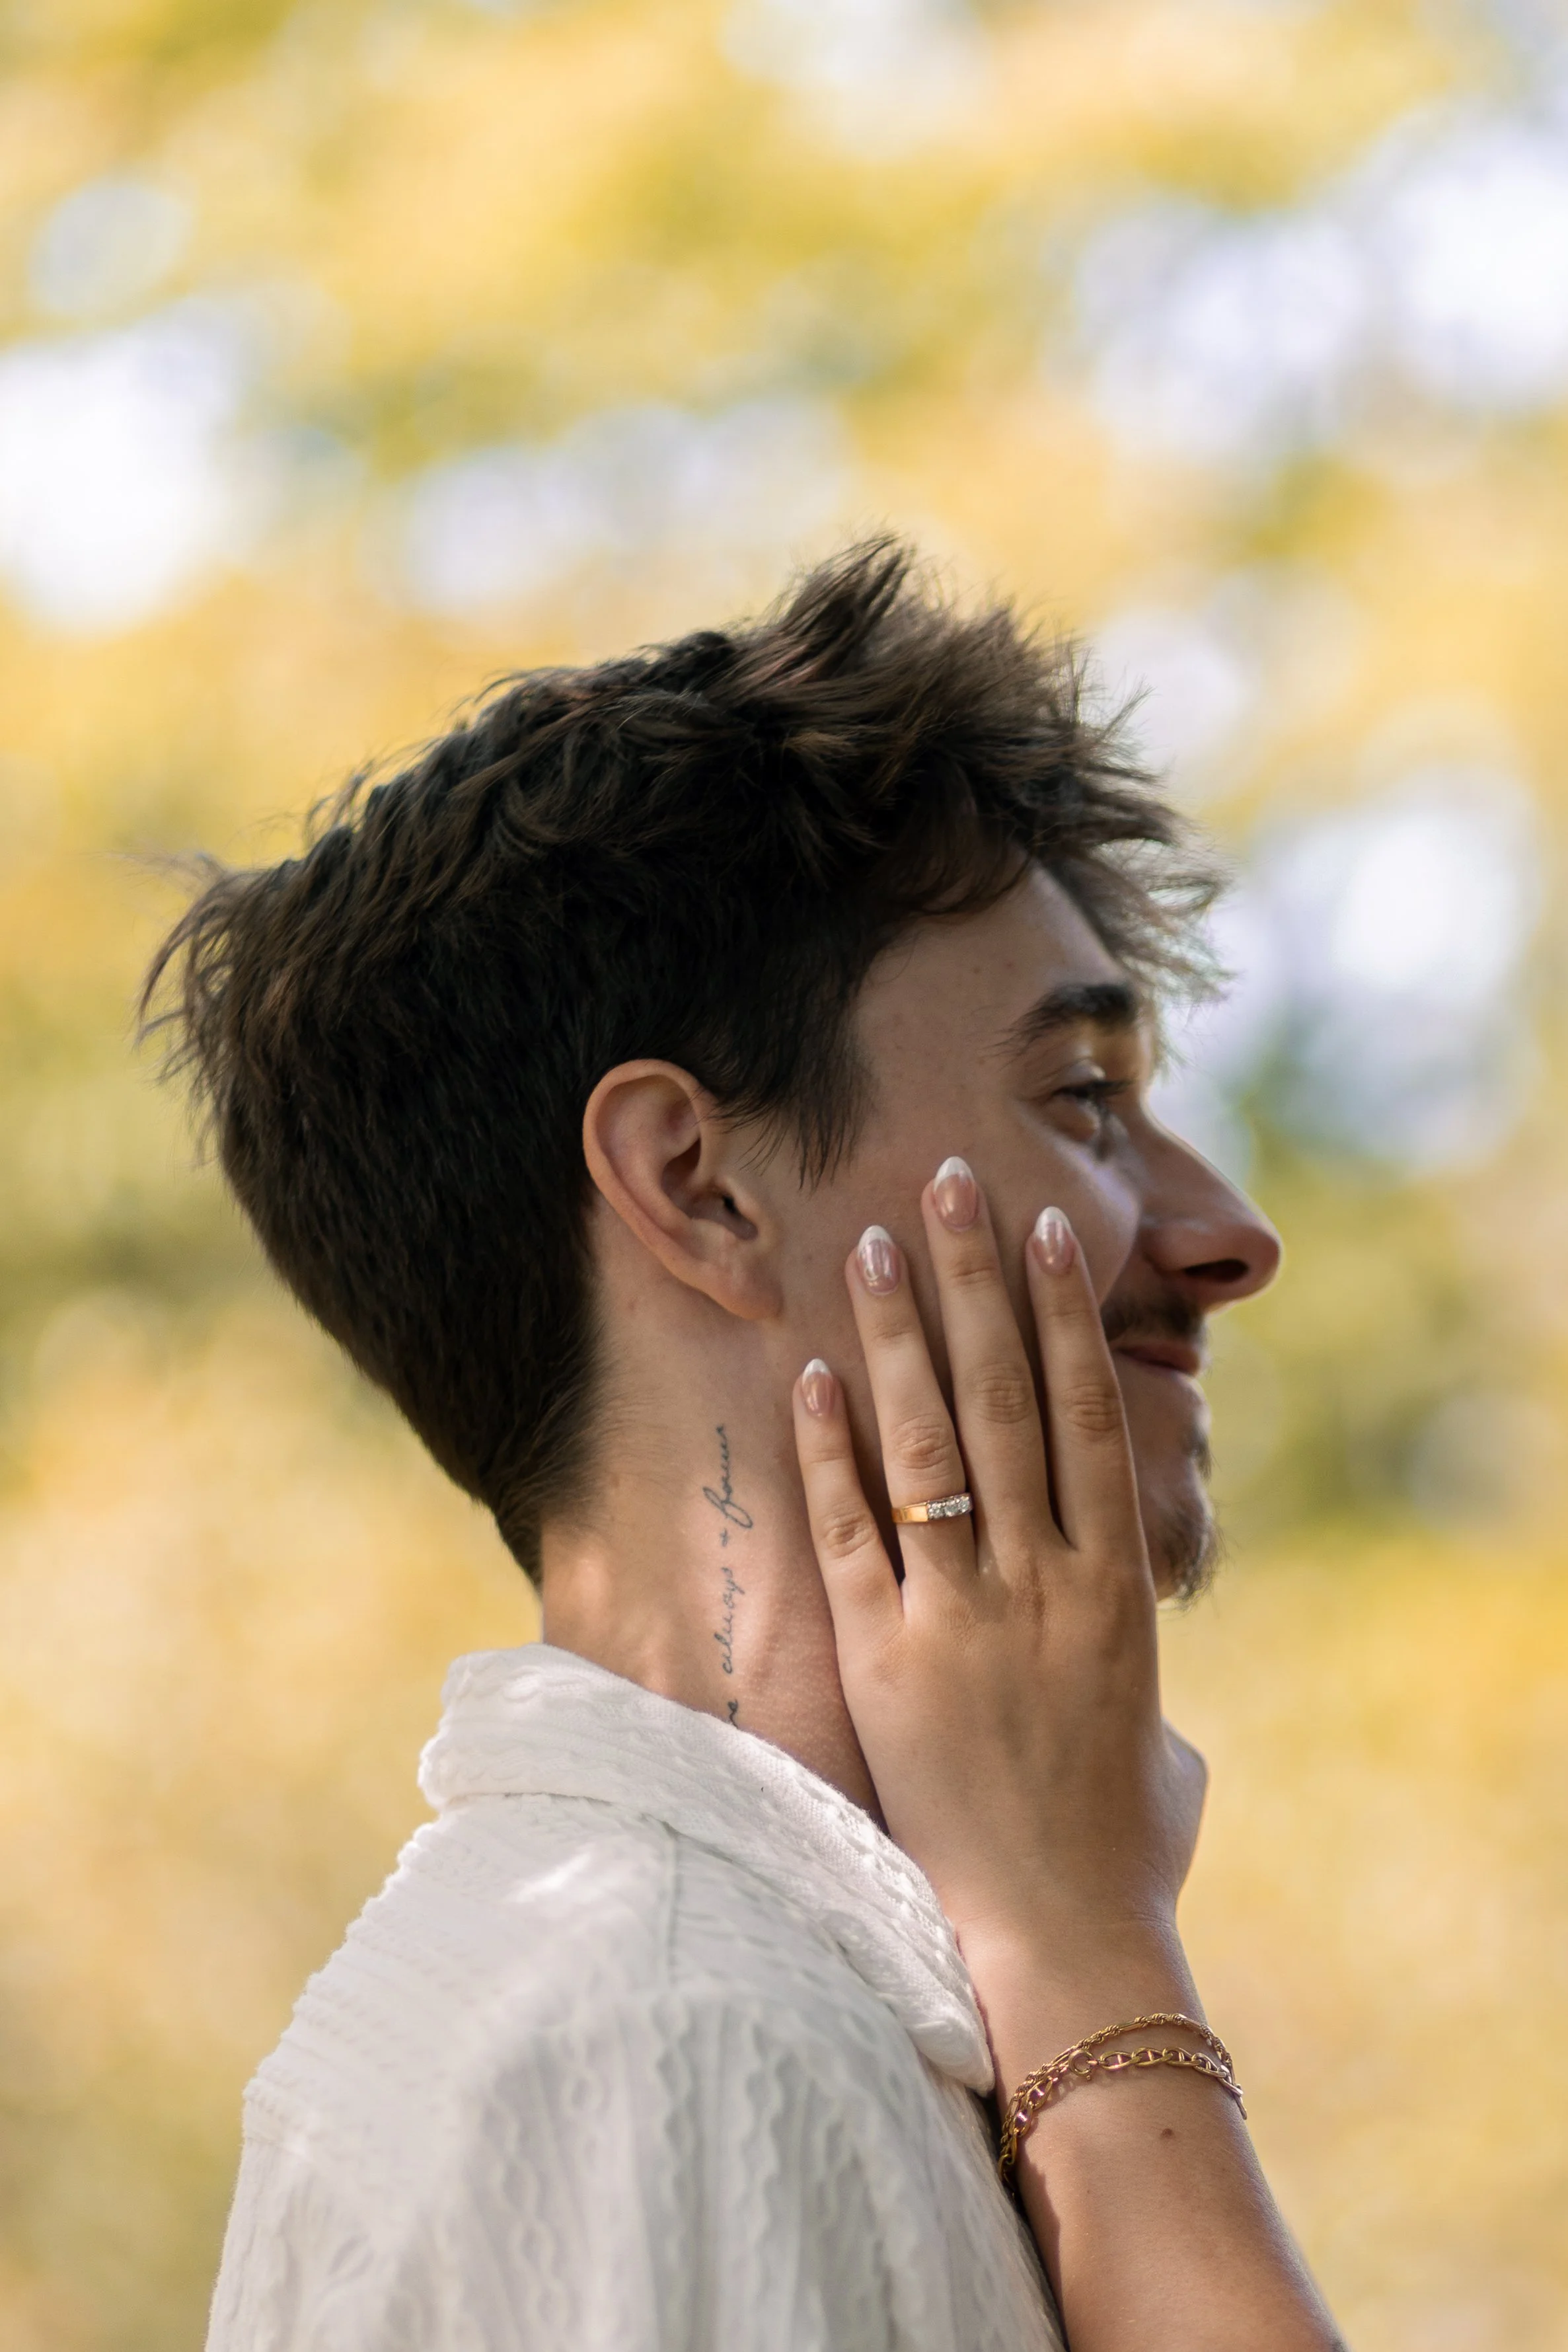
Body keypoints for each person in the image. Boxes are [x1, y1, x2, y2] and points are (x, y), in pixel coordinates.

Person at [147, 541, 1343, 2350]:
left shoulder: (754, 2010)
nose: (1225, 1230)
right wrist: (1094, 1966)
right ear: (698, 1187)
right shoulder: (674, 2043)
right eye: (1083, 1097)